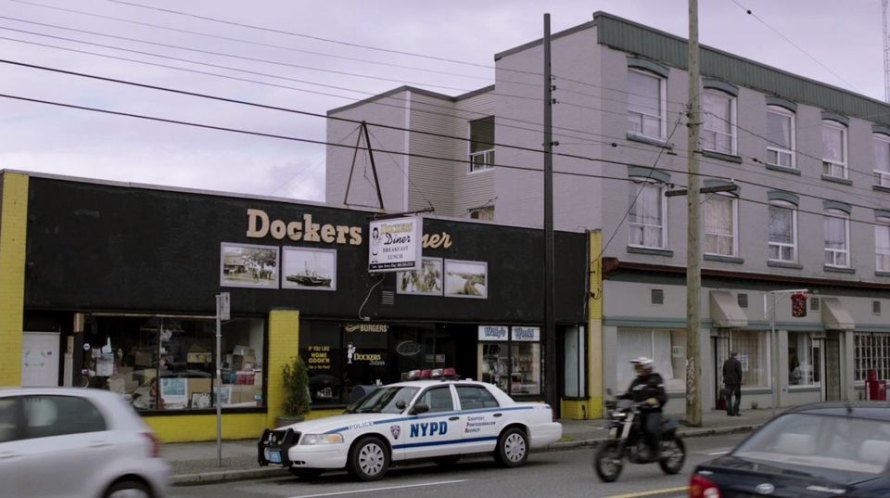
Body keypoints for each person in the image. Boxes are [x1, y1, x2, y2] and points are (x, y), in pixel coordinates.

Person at [619, 356, 667, 460]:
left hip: (653, 412)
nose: (637, 370)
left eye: (640, 367)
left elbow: (663, 396)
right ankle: (627, 447)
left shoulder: (655, 379)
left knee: (650, 428)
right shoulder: (636, 382)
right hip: (638, 412)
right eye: (636, 367)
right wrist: (616, 400)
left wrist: (655, 400)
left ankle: (656, 451)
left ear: (647, 367)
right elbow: (628, 395)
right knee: (624, 424)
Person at [722, 351, 743, 416]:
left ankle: (729, 411)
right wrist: (739, 380)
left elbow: (724, 372)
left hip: (727, 382)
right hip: (736, 382)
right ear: (736, 355)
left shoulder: (726, 362)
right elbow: (740, 372)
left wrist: (725, 378)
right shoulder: (737, 362)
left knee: (728, 397)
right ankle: (735, 410)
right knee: (737, 397)